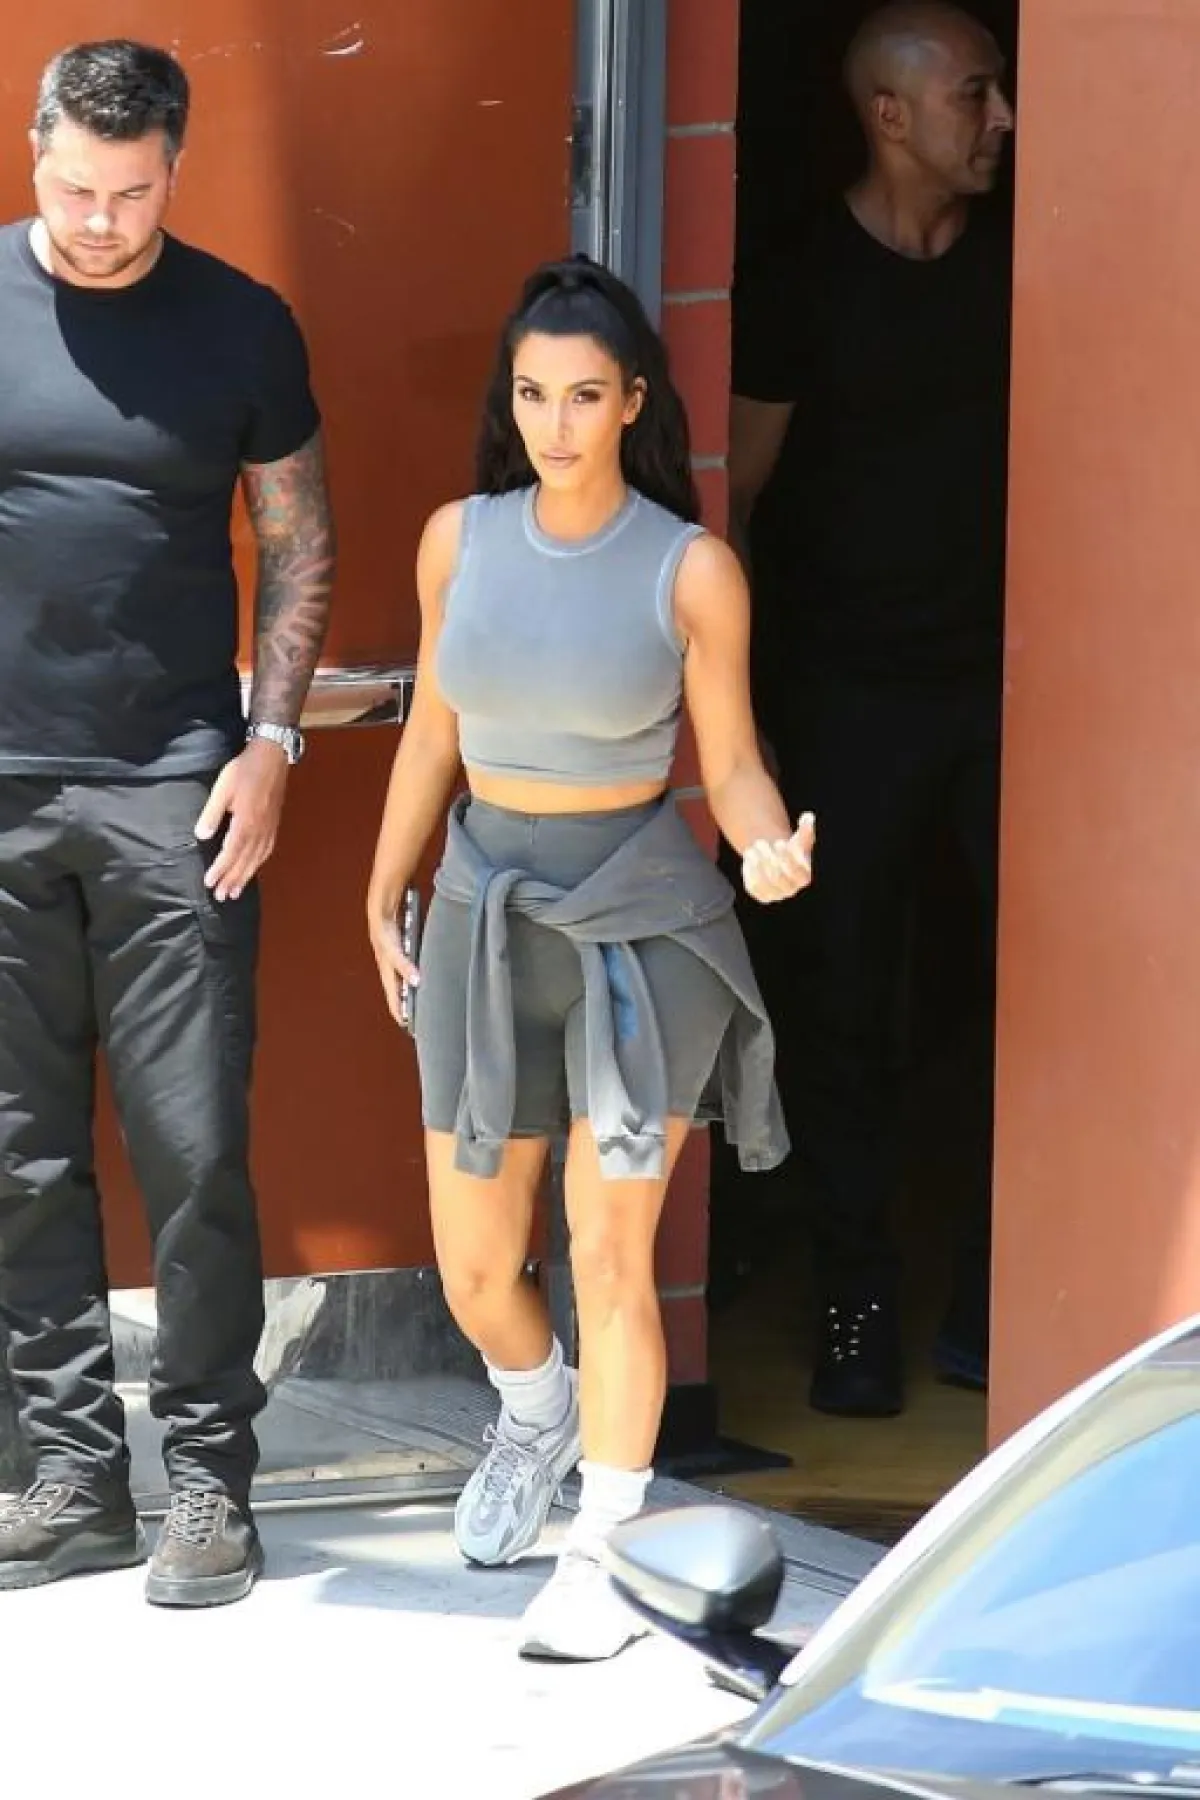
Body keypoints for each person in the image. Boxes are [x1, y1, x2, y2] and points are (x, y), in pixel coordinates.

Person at [367, 255, 813, 1662]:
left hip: (639, 921)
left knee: (610, 1253)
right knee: (474, 1270)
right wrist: (385, 886)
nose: (554, 423)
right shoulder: (458, 542)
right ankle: (537, 1413)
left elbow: (729, 762)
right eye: (531, 395)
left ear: (631, 404)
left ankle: (610, 1552)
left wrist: (766, 845)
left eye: (582, 396)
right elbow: (433, 734)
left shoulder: (691, 568)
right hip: (485, 910)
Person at [0, 41, 333, 1605]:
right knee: (20, 1157)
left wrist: (272, 743)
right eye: (75, 188)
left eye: (131, 195)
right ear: (35, 150)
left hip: (177, 792)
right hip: (3, 791)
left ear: (174, 172)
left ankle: (208, 1480)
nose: (99, 222)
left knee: (195, 1154)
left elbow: (299, 543)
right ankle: (70, 1475)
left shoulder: (240, 323)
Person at [728, 1, 1014, 1416]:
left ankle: (1000, 1298)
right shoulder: (803, 283)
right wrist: (744, 718)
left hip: (1010, 692)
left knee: (1035, 986)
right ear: (890, 115)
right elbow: (737, 500)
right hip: (845, 695)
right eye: (977, 94)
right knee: (842, 1002)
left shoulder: (1021, 263)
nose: (1004, 121)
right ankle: (855, 1298)